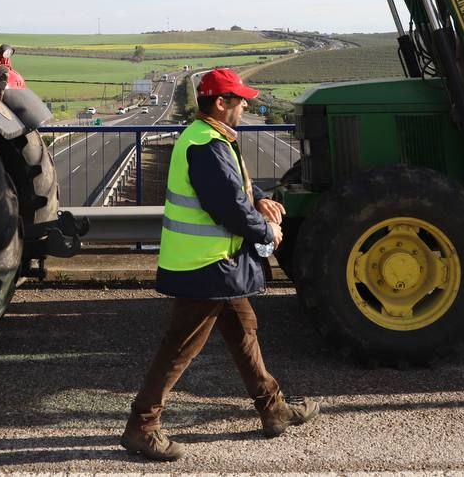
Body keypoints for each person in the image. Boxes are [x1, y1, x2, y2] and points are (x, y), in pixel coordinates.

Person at [120, 68, 319, 462]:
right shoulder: (206, 145)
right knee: (180, 347)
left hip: (218, 265)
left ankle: (273, 408)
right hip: (205, 266)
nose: (246, 104)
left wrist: (260, 198)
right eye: (239, 99)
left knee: (245, 331)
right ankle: (141, 427)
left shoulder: (213, 139)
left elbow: (237, 187)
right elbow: (227, 206)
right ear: (220, 103)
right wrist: (266, 232)